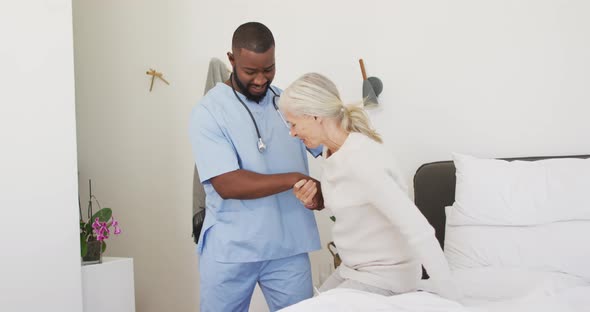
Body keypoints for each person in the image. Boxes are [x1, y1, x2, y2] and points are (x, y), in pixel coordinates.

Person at [279, 72, 460, 299]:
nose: (292, 132)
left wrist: (453, 300)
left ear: (315, 116)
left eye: (293, 123)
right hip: (355, 269)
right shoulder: (332, 152)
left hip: (388, 276)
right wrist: (316, 200)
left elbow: (419, 230)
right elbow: (356, 204)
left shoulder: (362, 159)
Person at [188, 22, 323, 312]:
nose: (261, 80)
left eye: (269, 69)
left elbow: (330, 146)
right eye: (251, 71)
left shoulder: (288, 104)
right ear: (232, 60)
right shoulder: (208, 112)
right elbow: (228, 184)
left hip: (288, 247)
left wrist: (323, 191)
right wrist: (295, 179)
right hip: (232, 250)